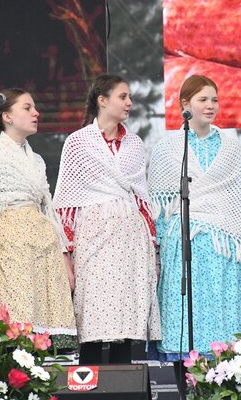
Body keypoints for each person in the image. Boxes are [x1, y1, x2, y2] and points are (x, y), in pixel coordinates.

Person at [148, 74, 241, 366]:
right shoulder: (168, 147)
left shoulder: (231, 147)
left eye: (214, 100)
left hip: (224, 249)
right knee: (186, 322)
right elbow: (160, 208)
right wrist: (158, 253)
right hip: (184, 246)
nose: (210, 106)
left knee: (223, 327)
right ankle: (184, 390)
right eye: (203, 100)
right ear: (186, 104)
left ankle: (224, 382)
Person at [52, 74, 161, 364]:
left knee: (125, 319)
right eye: (123, 96)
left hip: (130, 237)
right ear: (102, 100)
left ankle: (124, 388)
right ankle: (89, 387)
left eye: (130, 97)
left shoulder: (135, 144)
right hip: (94, 236)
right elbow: (66, 202)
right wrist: (67, 252)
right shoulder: (78, 142)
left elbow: (142, 197)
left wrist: (153, 247)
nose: (129, 102)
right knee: (92, 315)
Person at [0, 88, 77, 350]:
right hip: (11, 243)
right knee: (18, 312)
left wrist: (64, 253)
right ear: (7, 116)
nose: (36, 113)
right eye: (27, 108)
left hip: (43, 242)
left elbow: (48, 207)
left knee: (49, 313)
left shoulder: (37, 160)